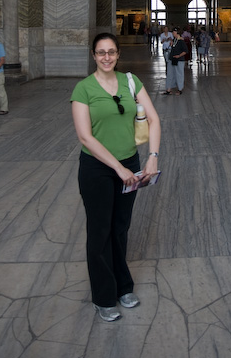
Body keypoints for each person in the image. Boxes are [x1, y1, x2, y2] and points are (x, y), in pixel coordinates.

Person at [71, 32, 161, 322]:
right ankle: (104, 296)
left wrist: (152, 157)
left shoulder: (131, 82)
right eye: (101, 52)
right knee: (100, 232)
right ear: (94, 56)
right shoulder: (83, 89)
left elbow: (154, 119)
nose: (106, 57)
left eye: (111, 52)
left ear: (118, 54)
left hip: (130, 164)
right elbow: (85, 137)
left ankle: (124, 287)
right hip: (98, 169)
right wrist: (117, 168)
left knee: (120, 228)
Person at [162, 27, 187, 95]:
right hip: (172, 59)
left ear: (177, 33)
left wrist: (179, 56)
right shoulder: (174, 40)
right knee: (170, 74)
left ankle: (180, 89)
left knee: (179, 74)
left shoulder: (181, 41)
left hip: (179, 60)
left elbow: (185, 51)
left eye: (173, 32)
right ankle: (168, 89)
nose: (172, 33)